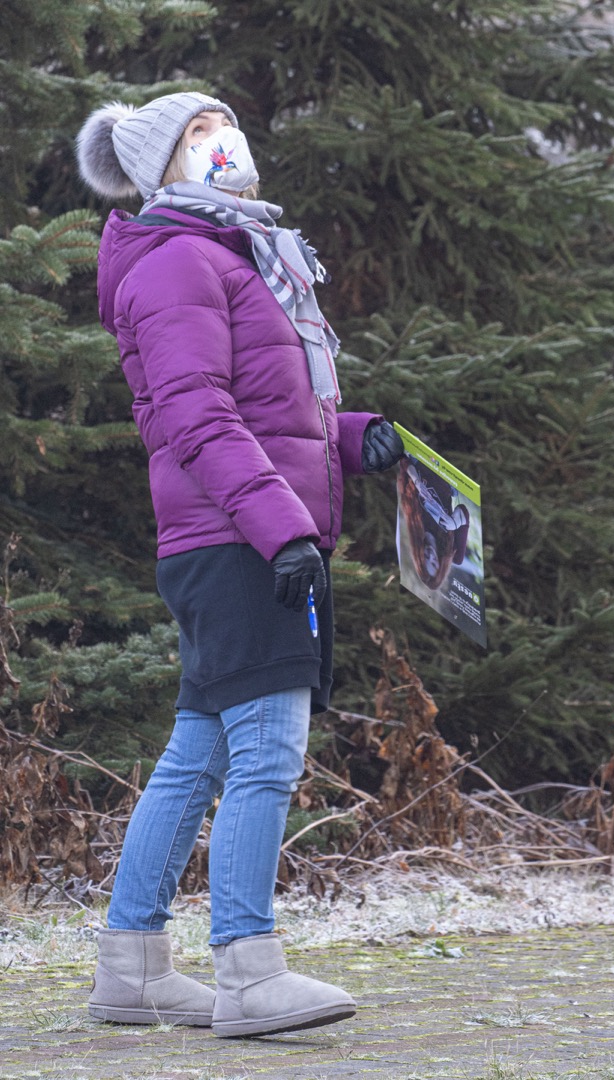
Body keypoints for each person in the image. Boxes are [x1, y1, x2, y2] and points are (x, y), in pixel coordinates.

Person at [75, 91, 404, 1039]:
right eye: (196, 132)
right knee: (266, 754)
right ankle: (249, 973)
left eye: (223, 122)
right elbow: (193, 414)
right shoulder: (179, 258)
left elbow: (256, 409)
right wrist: (281, 528)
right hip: (237, 538)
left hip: (232, 528)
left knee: (199, 755)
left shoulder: (231, 254)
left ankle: (131, 971)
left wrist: (347, 437)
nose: (222, 141)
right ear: (161, 168)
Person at [397, 457, 469, 589]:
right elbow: (464, 511)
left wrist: (417, 481)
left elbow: (403, 463)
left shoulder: (413, 524)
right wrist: (455, 524)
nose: (430, 555)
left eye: (425, 559)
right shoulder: (454, 553)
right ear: (441, 565)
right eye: (434, 563)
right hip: (448, 475)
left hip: (423, 460)